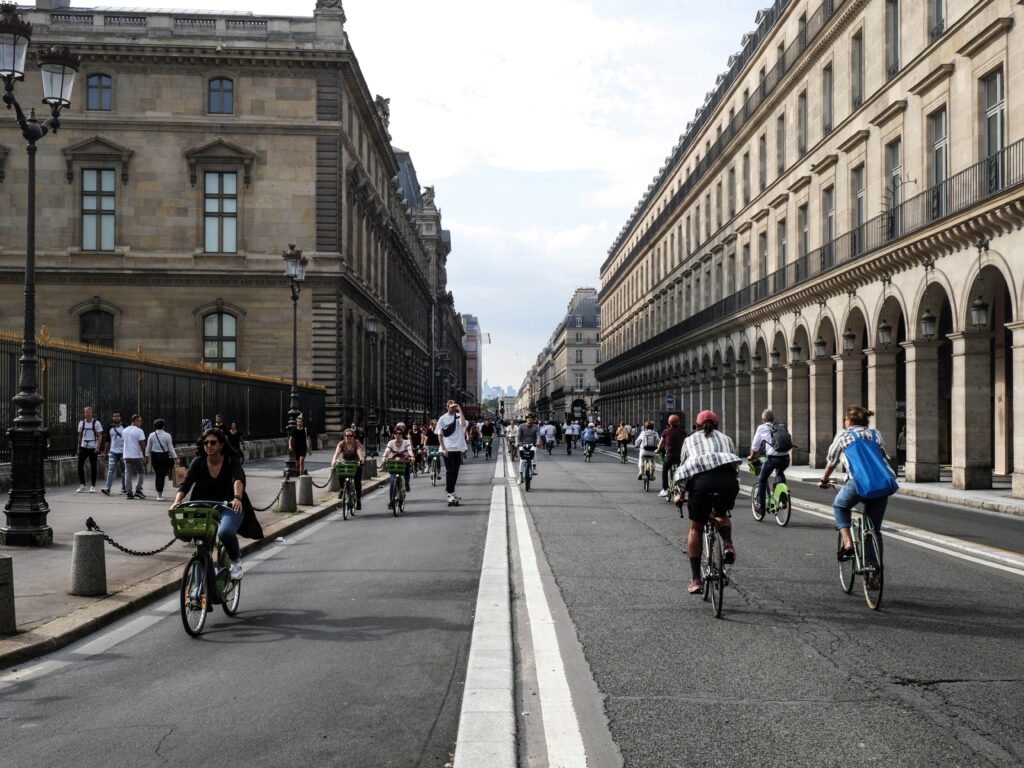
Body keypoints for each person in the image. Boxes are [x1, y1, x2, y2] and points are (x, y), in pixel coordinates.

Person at [173, 428, 263, 580]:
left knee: (225, 532)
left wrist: (237, 498)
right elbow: (185, 484)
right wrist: (176, 502)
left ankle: (236, 562)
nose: (208, 445)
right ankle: (203, 580)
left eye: (212, 442)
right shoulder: (198, 462)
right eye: (205, 442)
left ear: (220, 444)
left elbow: (237, 479)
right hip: (204, 507)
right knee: (201, 542)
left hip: (230, 506)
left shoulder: (230, 460)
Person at [672, 410, 742, 594]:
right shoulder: (726, 439)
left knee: (696, 526)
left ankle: (696, 580)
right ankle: (727, 544)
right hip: (727, 481)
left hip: (702, 483)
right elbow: (734, 464)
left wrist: (679, 494)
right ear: (717, 425)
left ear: (696, 426)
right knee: (721, 514)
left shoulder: (690, 440)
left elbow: (685, 468)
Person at [819, 405, 894, 569]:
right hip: (880, 484)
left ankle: (847, 544)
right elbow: (882, 456)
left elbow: (832, 461)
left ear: (849, 420)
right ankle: (874, 571)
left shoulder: (844, 435)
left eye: (844, 419)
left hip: (858, 483)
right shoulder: (875, 434)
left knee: (839, 506)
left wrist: (824, 480)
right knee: (875, 529)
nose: (844, 422)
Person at [748, 409, 791, 513]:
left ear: (763, 420)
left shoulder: (762, 428)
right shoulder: (781, 426)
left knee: (762, 479)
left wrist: (751, 456)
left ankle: (761, 507)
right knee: (780, 472)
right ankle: (783, 500)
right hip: (786, 458)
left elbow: (755, 445)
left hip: (772, 458)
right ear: (773, 419)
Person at [436, 401, 468, 504]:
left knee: (455, 471)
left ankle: (451, 492)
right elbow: (439, 435)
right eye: (451, 406)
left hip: (457, 448)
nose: (453, 408)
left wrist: (460, 410)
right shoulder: (442, 418)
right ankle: (450, 493)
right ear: (447, 407)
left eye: (454, 406)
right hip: (447, 449)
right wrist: (443, 448)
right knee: (450, 471)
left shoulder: (458, 416)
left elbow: (463, 424)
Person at [330, 428, 365, 511]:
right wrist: (334, 460)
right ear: (344, 436)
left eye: (350, 436)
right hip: (345, 462)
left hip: (355, 463)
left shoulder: (356, 443)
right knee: (340, 472)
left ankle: (359, 500)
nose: (348, 437)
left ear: (353, 436)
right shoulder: (342, 443)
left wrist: (361, 459)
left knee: (357, 482)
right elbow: (337, 453)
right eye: (347, 436)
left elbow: (359, 452)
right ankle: (342, 489)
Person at [145, 418, 178, 503]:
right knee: (162, 475)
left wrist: (146, 457)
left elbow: (148, 447)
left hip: (154, 456)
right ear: (163, 426)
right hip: (164, 456)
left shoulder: (151, 435)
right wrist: (175, 457)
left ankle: (159, 493)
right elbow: (171, 448)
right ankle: (159, 495)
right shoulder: (167, 435)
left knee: (158, 475)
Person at [382, 425, 415, 510]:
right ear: (393, 435)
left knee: (406, 471)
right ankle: (391, 501)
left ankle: (406, 484)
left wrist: (412, 456)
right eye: (396, 433)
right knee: (392, 481)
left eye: (400, 433)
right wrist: (384, 457)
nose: (398, 435)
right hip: (394, 464)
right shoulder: (391, 442)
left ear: (402, 434)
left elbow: (410, 450)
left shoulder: (406, 442)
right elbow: (387, 451)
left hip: (404, 462)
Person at [657, 414, 686, 496]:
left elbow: (661, 443)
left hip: (669, 455)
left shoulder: (666, 431)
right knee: (682, 471)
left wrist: (658, 450)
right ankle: (682, 488)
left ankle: (665, 489)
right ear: (678, 422)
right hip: (680, 456)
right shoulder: (683, 432)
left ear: (669, 422)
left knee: (665, 470)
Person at [75, 406, 103, 493]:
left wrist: (97, 447)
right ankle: (82, 485)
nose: (88, 414)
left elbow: (100, 435)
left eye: (90, 412)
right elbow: (80, 435)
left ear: (92, 413)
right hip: (84, 446)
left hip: (93, 447)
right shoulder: (81, 423)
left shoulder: (96, 423)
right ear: (84, 413)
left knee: (93, 466)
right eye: (86, 412)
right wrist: (78, 447)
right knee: (80, 465)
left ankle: (93, 485)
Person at [101, 410, 127, 496]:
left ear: (121, 417)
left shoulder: (125, 427)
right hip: (113, 451)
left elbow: (128, 440)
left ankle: (124, 488)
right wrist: (105, 452)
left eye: (118, 416)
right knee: (111, 469)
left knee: (124, 470)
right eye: (114, 416)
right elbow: (107, 441)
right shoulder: (110, 427)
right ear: (112, 417)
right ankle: (108, 488)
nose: (116, 417)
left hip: (123, 452)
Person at [122, 414, 147, 500]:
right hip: (136, 455)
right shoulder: (139, 431)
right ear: (135, 421)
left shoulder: (124, 430)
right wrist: (144, 456)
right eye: (139, 421)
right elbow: (142, 444)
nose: (141, 422)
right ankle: (138, 490)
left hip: (126, 455)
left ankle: (129, 492)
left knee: (128, 474)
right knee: (140, 472)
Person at [516, 413, 541, 484]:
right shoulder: (521, 426)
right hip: (522, 444)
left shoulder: (536, 427)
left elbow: (538, 435)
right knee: (522, 460)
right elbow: (518, 436)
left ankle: (534, 468)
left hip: (532, 444)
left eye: (531, 418)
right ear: (526, 419)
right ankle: (520, 476)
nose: (529, 419)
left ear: (533, 419)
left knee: (534, 452)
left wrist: (538, 442)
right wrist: (517, 442)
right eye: (528, 418)